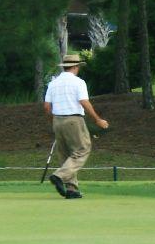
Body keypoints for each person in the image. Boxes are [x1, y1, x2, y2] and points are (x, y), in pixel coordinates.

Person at [43, 54, 110, 199]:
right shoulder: (78, 82)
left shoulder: (53, 83)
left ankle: (72, 189)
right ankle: (59, 176)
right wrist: (97, 119)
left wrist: (53, 121)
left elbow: (47, 106)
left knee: (66, 154)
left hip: (57, 120)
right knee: (82, 149)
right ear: (75, 67)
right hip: (74, 119)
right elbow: (84, 102)